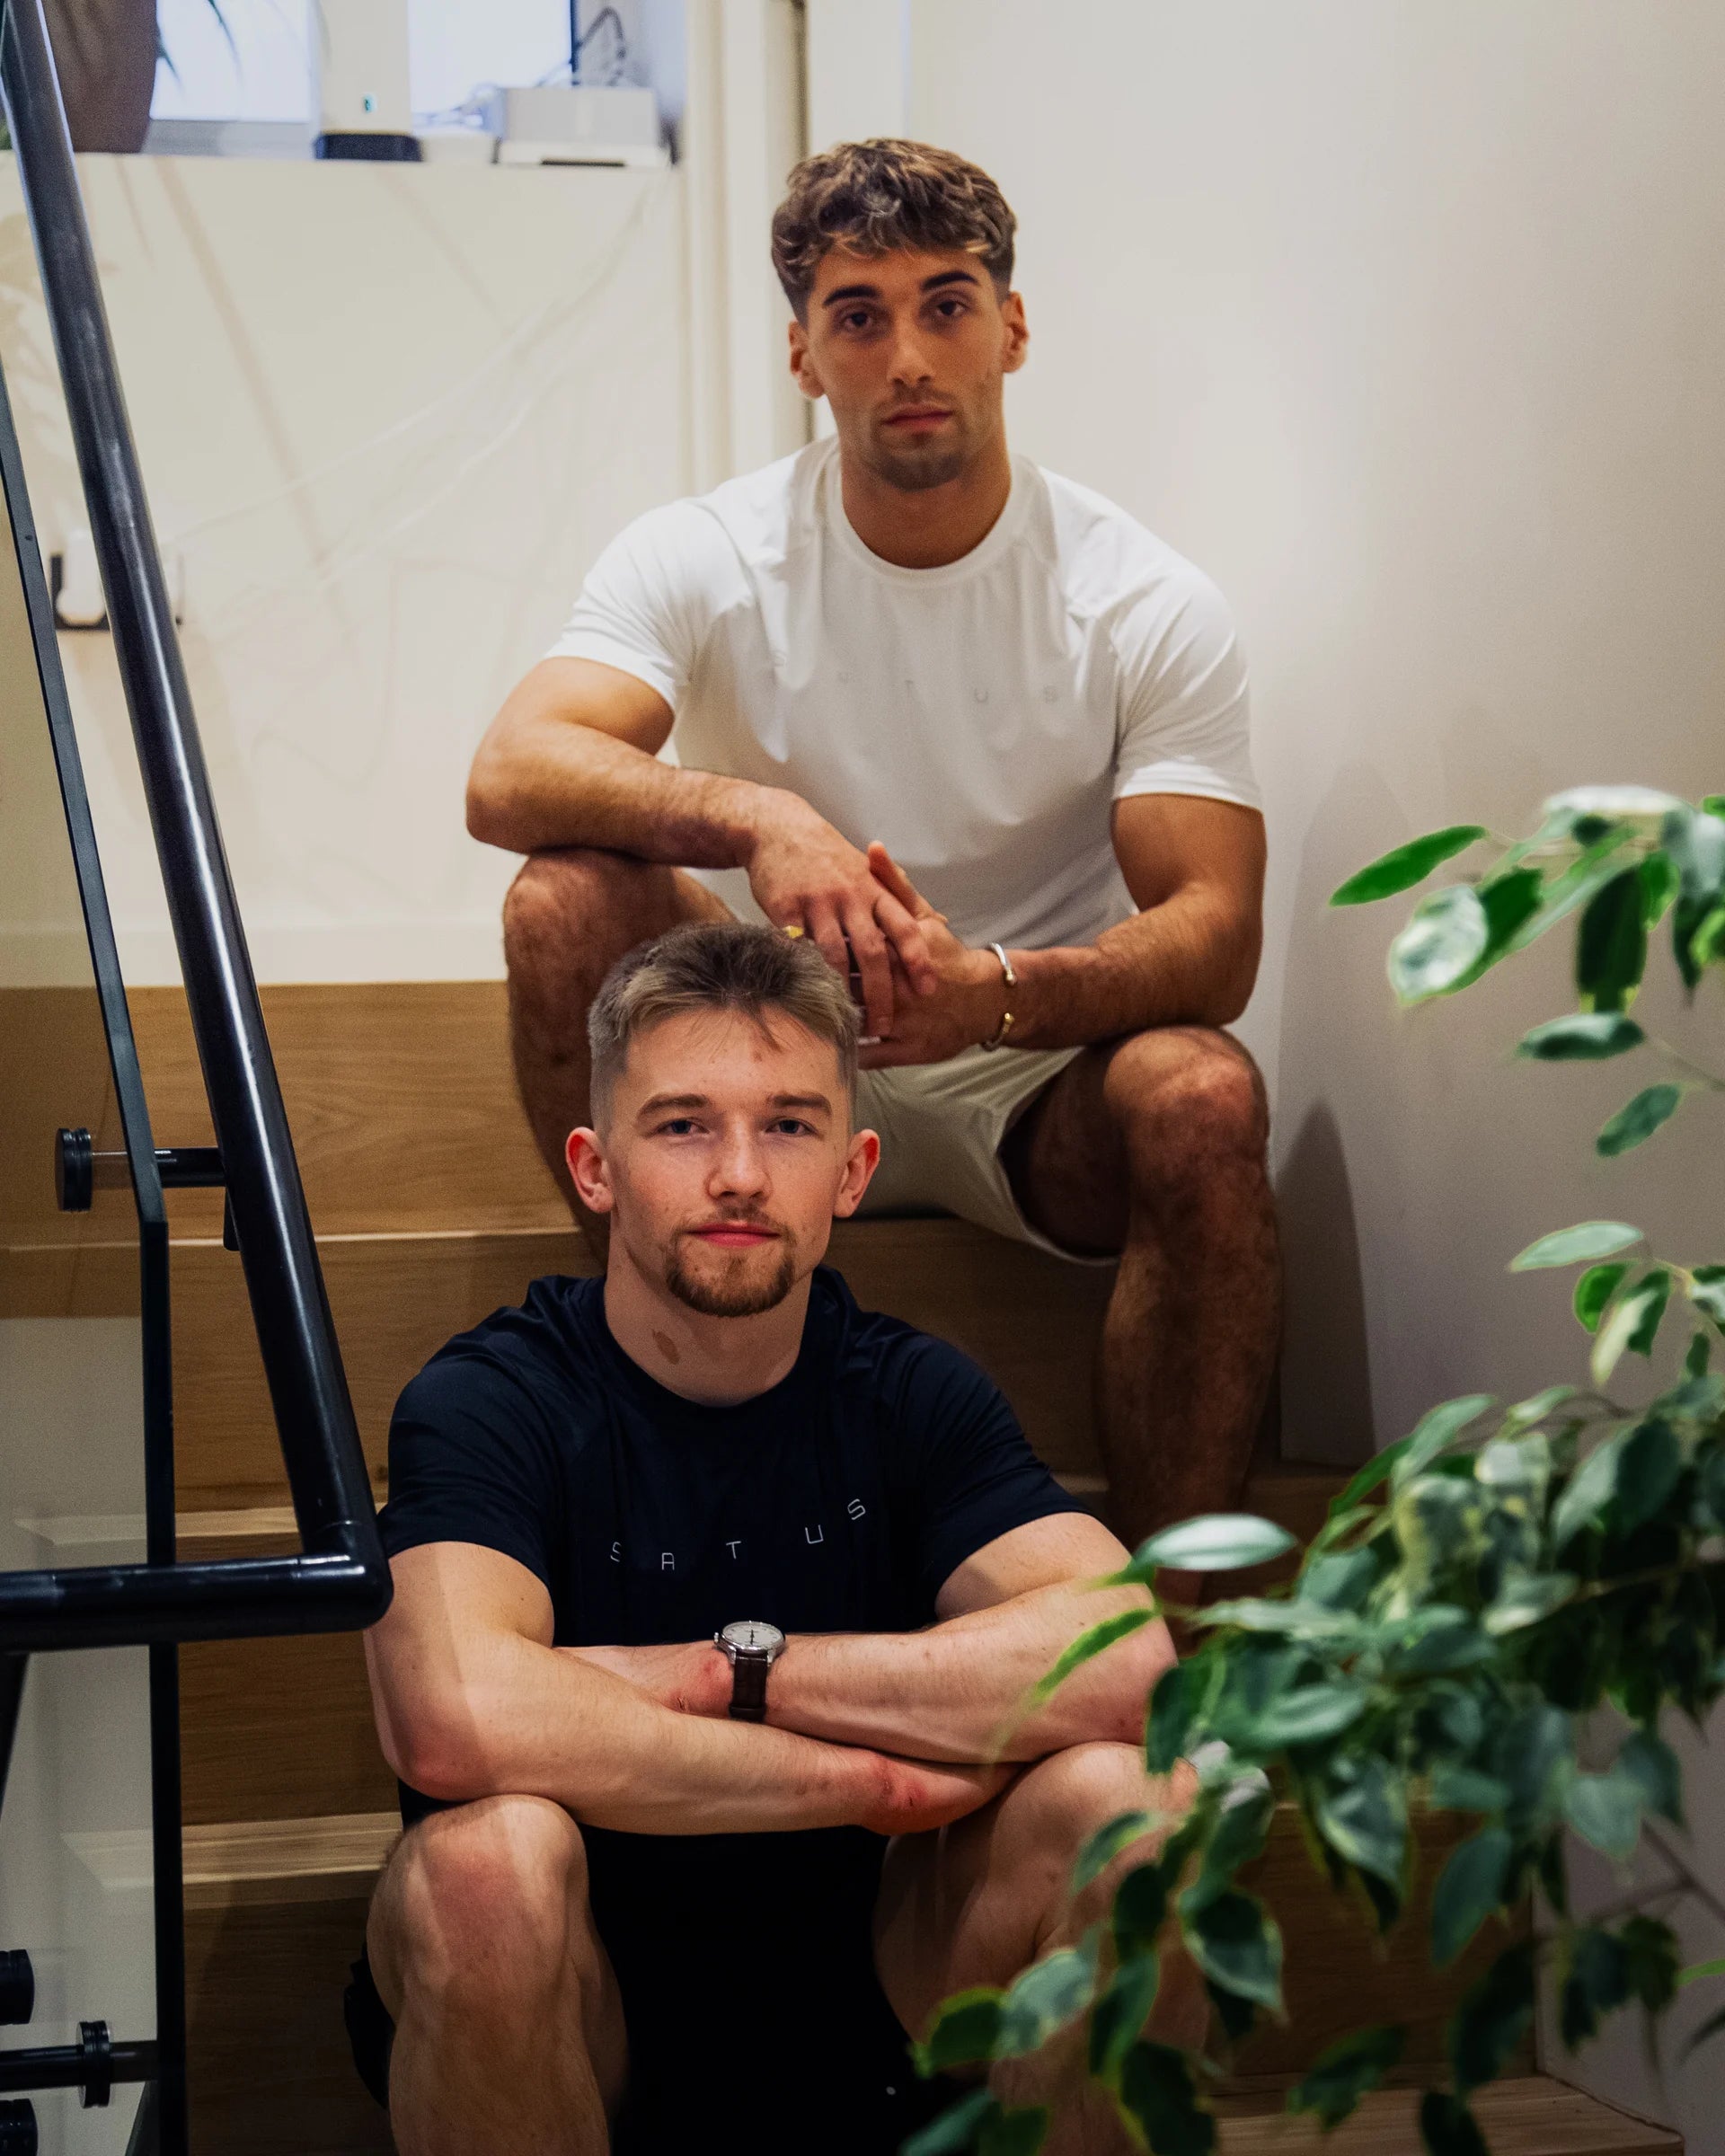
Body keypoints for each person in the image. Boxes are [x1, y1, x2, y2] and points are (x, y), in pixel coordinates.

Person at [469, 135, 1278, 1574]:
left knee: (1205, 1092)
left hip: (1022, 1079)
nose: (906, 354)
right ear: (804, 355)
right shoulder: (710, 550)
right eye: (859, 315)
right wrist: (761, 820)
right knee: (560, 899)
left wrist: (997, 993)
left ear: (1011, 329)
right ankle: (641, 1356)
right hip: (750, 1051)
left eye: (946, 304)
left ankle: (1182, 1650)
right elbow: (512, 768)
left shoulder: (1139, 596)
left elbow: (1217, 934)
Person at [348, 923, 1199, 2156]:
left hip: (879, 1962)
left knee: (1143, 1805)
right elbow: (452, 1718)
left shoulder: (909, 1392)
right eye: (684, 1124)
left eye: (789, 1125)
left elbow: (1128, 1662)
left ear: (852, 1172)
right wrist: (863, 1780)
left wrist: (737, 1672)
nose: (739, 1174)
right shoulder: (496, 1399)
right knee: (483, 1866)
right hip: (580, 1996)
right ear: (594, 1167)